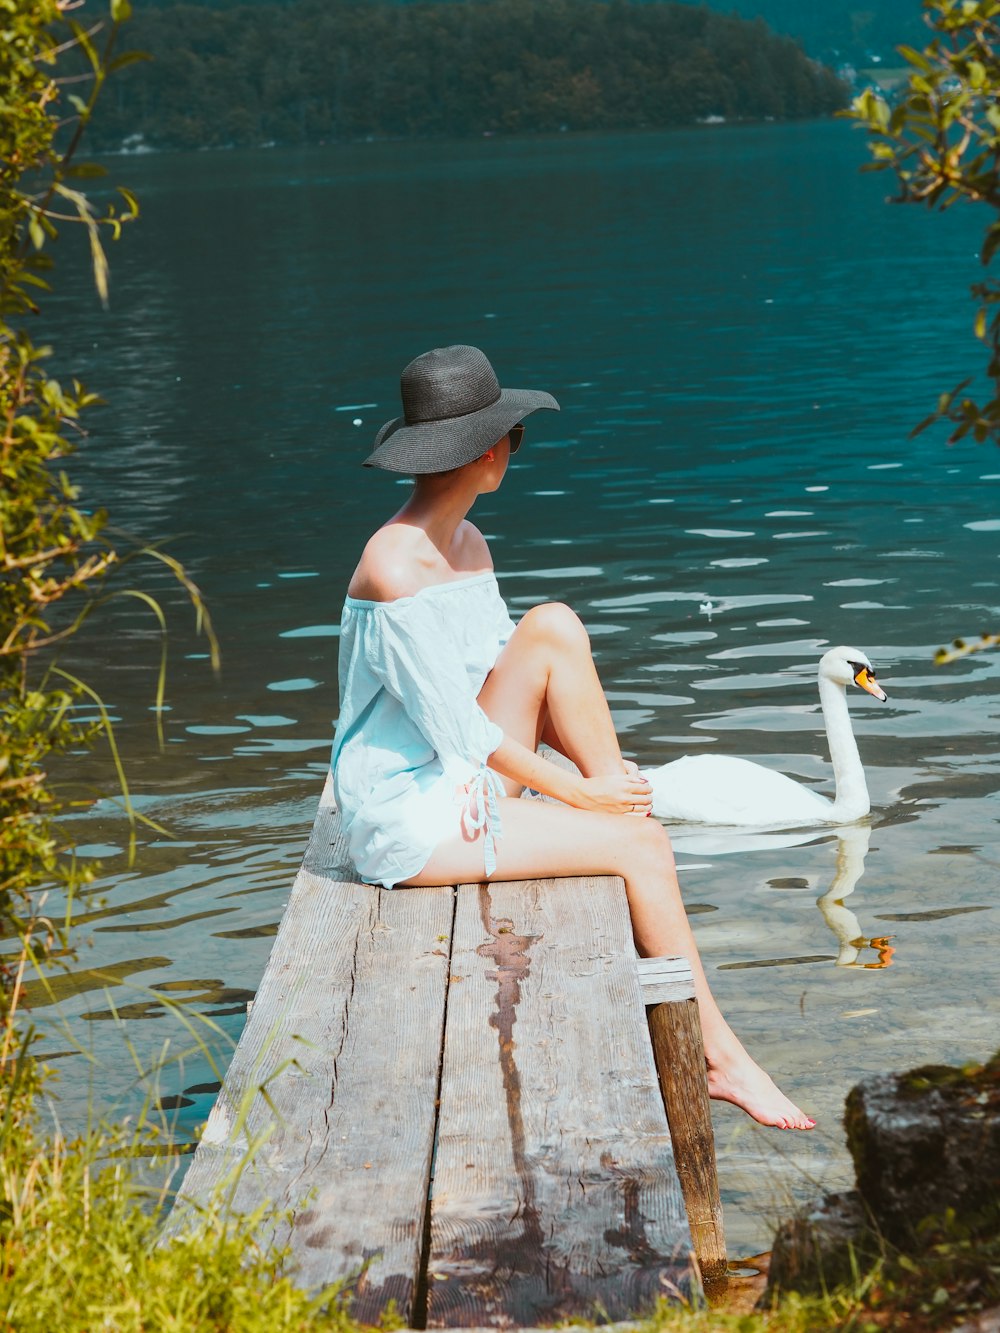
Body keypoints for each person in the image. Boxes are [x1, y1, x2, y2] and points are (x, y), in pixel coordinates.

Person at [332, 344, 815, 1131]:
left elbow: (509, 679)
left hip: (460, 778)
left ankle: (621, 825)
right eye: (513, 438)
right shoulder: (393, 565)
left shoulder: (468, 544)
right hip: (407, 818)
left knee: (553, 625)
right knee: (644, 847)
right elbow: (462, 732)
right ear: (491, 452)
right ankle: (718, 1052)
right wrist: (582, 795)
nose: (514, 451)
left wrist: (598, 785)